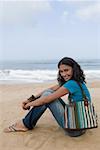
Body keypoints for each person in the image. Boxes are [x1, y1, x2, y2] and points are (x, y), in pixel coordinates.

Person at [4, 57, 91, 137]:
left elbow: (46, 99)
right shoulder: (76, 81)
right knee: (48, 92)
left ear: (73, 69)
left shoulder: (72, 84)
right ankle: (26, 123)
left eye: (66, 70)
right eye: (61, 71)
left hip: (74, 129)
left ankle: (25, 124)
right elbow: (51, 89)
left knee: (47, 97)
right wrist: (30, 99)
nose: (64, 74)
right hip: (80, 123)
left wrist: (28, 104)